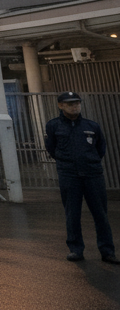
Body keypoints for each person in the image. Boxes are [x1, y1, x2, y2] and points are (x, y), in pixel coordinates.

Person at [44, 91, 116, 263]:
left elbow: (100, 148)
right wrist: (67, 163)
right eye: (70, 104)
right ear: (61, 106)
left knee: (101, 214)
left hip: (92, 174)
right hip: (69, 175)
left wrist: (90, 162)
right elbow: (52, 148)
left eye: (76, 103)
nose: (74, 106)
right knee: (72, 213)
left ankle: (107, 251)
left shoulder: (92, 125)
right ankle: (76, 249)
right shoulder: (53, 126)